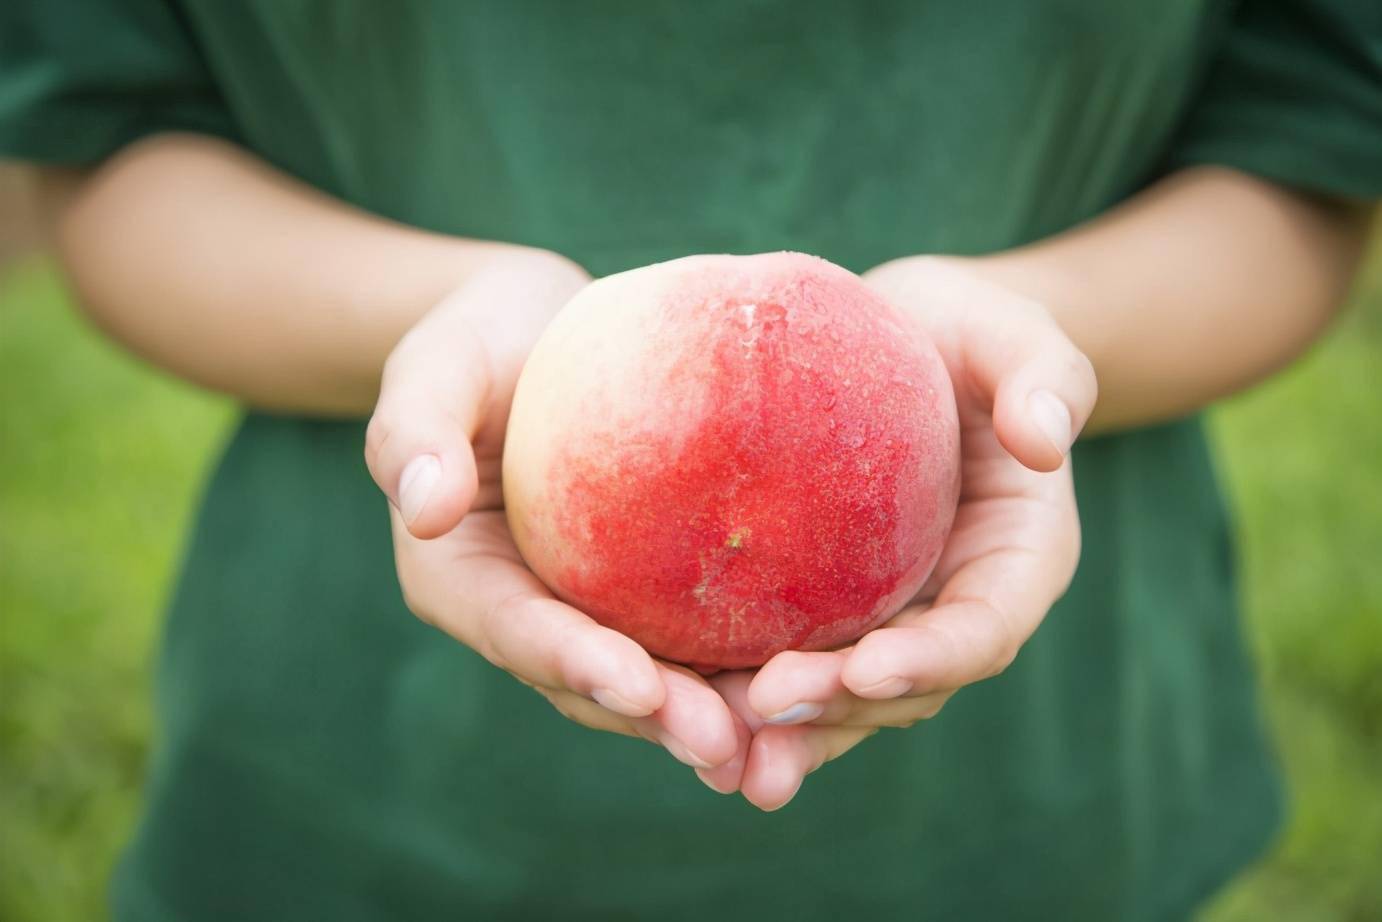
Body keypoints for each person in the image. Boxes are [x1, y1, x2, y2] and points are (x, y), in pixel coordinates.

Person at [3, 1, 1377, 919]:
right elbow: (103, 147)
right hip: (360, 750)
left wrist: (1032, 342)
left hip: (1037, 777)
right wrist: (432, 319)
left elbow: (1310, 150)